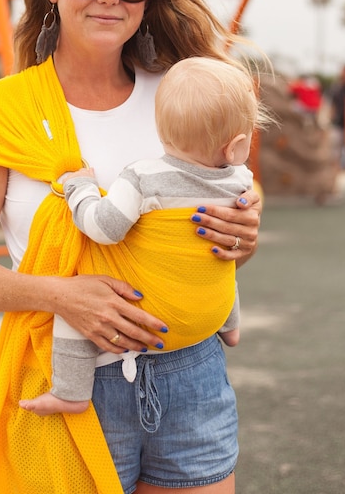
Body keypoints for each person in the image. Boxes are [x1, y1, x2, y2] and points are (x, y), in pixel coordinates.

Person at [0, 0, 264, 494]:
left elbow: (218, 234)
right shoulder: (3, 109)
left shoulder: (182, 94)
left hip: (192, 375)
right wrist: (62, 295)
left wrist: (242, 236)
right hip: (73, 382)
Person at [20, 56, 274, 417]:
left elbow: (103, 228)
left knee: (71, 311)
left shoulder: (144, 177)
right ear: (235, 147)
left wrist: (81, 189)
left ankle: (70, 391)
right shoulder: (241, 180)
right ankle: (232, 328)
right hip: (207, 317)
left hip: (151, 319)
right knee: (211, 258)